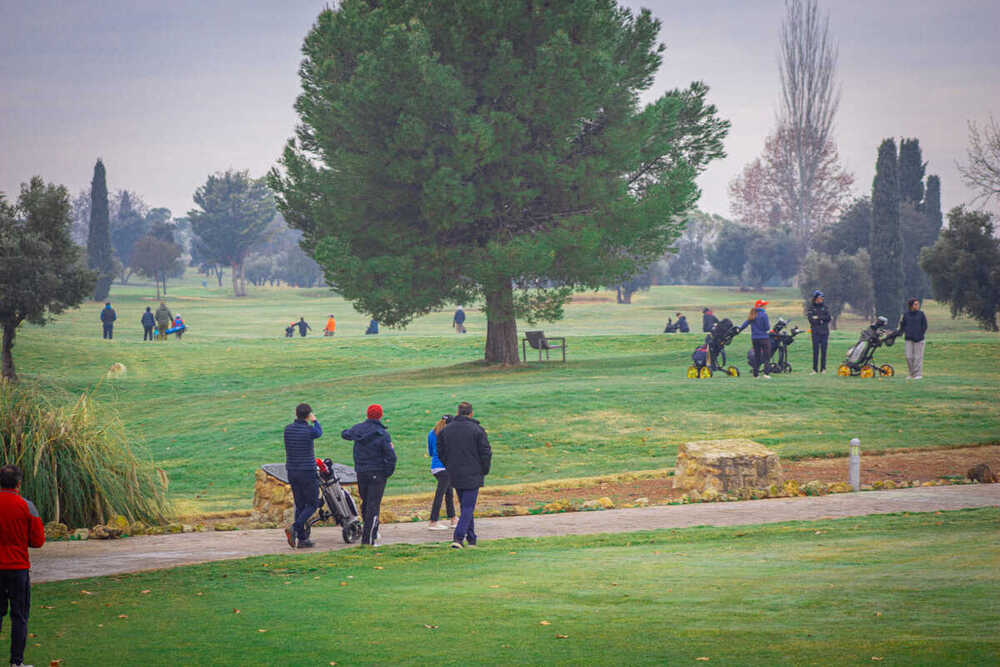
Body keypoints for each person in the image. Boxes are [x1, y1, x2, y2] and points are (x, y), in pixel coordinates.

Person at [0, 464, 45, 667]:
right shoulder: (27, 506)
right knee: (19, 616)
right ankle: (16, 662)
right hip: (17, 568)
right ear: (19, 483)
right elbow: (38, 541)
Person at [436, 401, 491, 549]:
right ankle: (458, 537)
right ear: (471, 413)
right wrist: (484, 469)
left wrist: (448, 465)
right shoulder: (477, 430)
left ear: (458, 412)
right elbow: (485, 452)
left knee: (465, 505)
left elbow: (440, 451)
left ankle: (471, 538)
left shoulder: (446, 430)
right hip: (473, 472)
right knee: (468, 506)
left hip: (454, 472)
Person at [341, 404, 396, 546]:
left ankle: (369, 530)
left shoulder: (358, 429)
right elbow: (391, 456)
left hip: (361, 471)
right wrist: (387, 473)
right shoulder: (382, 434)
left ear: (367, 414)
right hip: (377, 472)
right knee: (373, 505)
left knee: (366, 503)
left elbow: (345, 434)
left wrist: (350, 431)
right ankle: (369, 538)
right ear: (380, 415)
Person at [283, 403, 323, 549]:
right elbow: (319, 433)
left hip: (292, 471)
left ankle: (302, 539)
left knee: (299, 505)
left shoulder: (288, 430)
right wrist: (315, 420)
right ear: (308, 415)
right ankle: (295, 527)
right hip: (307, 471)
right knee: (312, 504)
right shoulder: (309, 430)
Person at [426, 415, 456, 531]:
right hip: (444, 467)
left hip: (435, 467)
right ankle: (433, 521)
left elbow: (430, 452)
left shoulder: (431, 433)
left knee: (448, 492)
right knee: (440, 494)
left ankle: (453, 518)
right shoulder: (448, 434)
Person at [898, 298, 928, 380]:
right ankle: (911, 374)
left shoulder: (921, 314)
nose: (917, 305)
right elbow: (903, 326)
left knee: (918, 358)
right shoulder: (906, 315)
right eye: (915, 304)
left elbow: (924, 326)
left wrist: (920, 334)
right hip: (908, 339)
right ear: (911, 305)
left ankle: (918, 374)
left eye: (918, 304)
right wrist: (899, 333)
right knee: (908, 357)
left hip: (919, 339)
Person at [741, 299, 772, 379]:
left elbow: (745, 324)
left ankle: (756, 374)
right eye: (765, 305)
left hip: (754, 339)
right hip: (764, 338)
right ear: (762, 306)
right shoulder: (764, 314)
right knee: (767, 356)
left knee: (757, 356)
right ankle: (766, 373)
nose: (766, 306)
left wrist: (739, 329)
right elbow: (767, 327)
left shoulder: (753, 314)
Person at [806, 290, 832, 374]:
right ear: (816, 298)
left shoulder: (825, 307)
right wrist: (821, 319)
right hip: (815, 332)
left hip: (824, 332)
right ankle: (814, 369)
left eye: (822, 298)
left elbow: (828, 318)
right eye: (820, 297)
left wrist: (818, 318)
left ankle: (823, 369)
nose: (821, 299)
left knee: (824, 351)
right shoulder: (811, 308)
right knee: (816, 351)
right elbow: (811, 320)